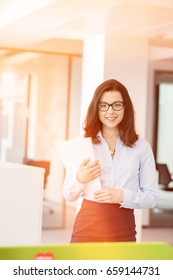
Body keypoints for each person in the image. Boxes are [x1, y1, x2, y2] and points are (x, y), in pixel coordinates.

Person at [63, 79, 158, 243]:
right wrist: (80, 179)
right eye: (104, 105)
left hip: (123, 227)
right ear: (97, 108)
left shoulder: (141, 147)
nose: (110, 111)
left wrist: (122, 195)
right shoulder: (83, 143)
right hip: (87, 226)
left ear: (125, 107)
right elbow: (68, 195)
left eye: (117, 105)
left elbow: (151, 198)